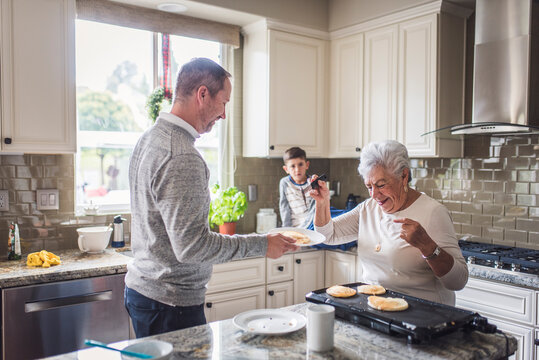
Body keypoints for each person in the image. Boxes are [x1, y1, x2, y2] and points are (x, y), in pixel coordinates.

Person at [125, 58, 297, 338]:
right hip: (171, 304)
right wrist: (262, 245)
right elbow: (192, 247)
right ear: (202, 94)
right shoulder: (181, 156)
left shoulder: (150, 138)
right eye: (224, 102)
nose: (224, 115)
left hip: (146, 293)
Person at [310, 140, 468, 305]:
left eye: (381, 185)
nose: (374, 195)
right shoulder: (368, 208)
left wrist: (428, 247)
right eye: (369, 186)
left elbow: (457, 281)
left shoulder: (433, 212)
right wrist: (322, 203)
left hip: (423, 316)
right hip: (376, 310)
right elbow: (326, 236)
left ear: (404, 176)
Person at [279, 147, 316, 228]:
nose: (297, 169)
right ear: (286, 169)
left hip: (312, 226)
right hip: (294, 228)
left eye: (300, 164)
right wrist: (286, 229)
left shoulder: (312, 182)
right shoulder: (285, 183)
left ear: (307, 165)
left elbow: (314, 210)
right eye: (292, 166)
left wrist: (307, 227)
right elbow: (284, 208)